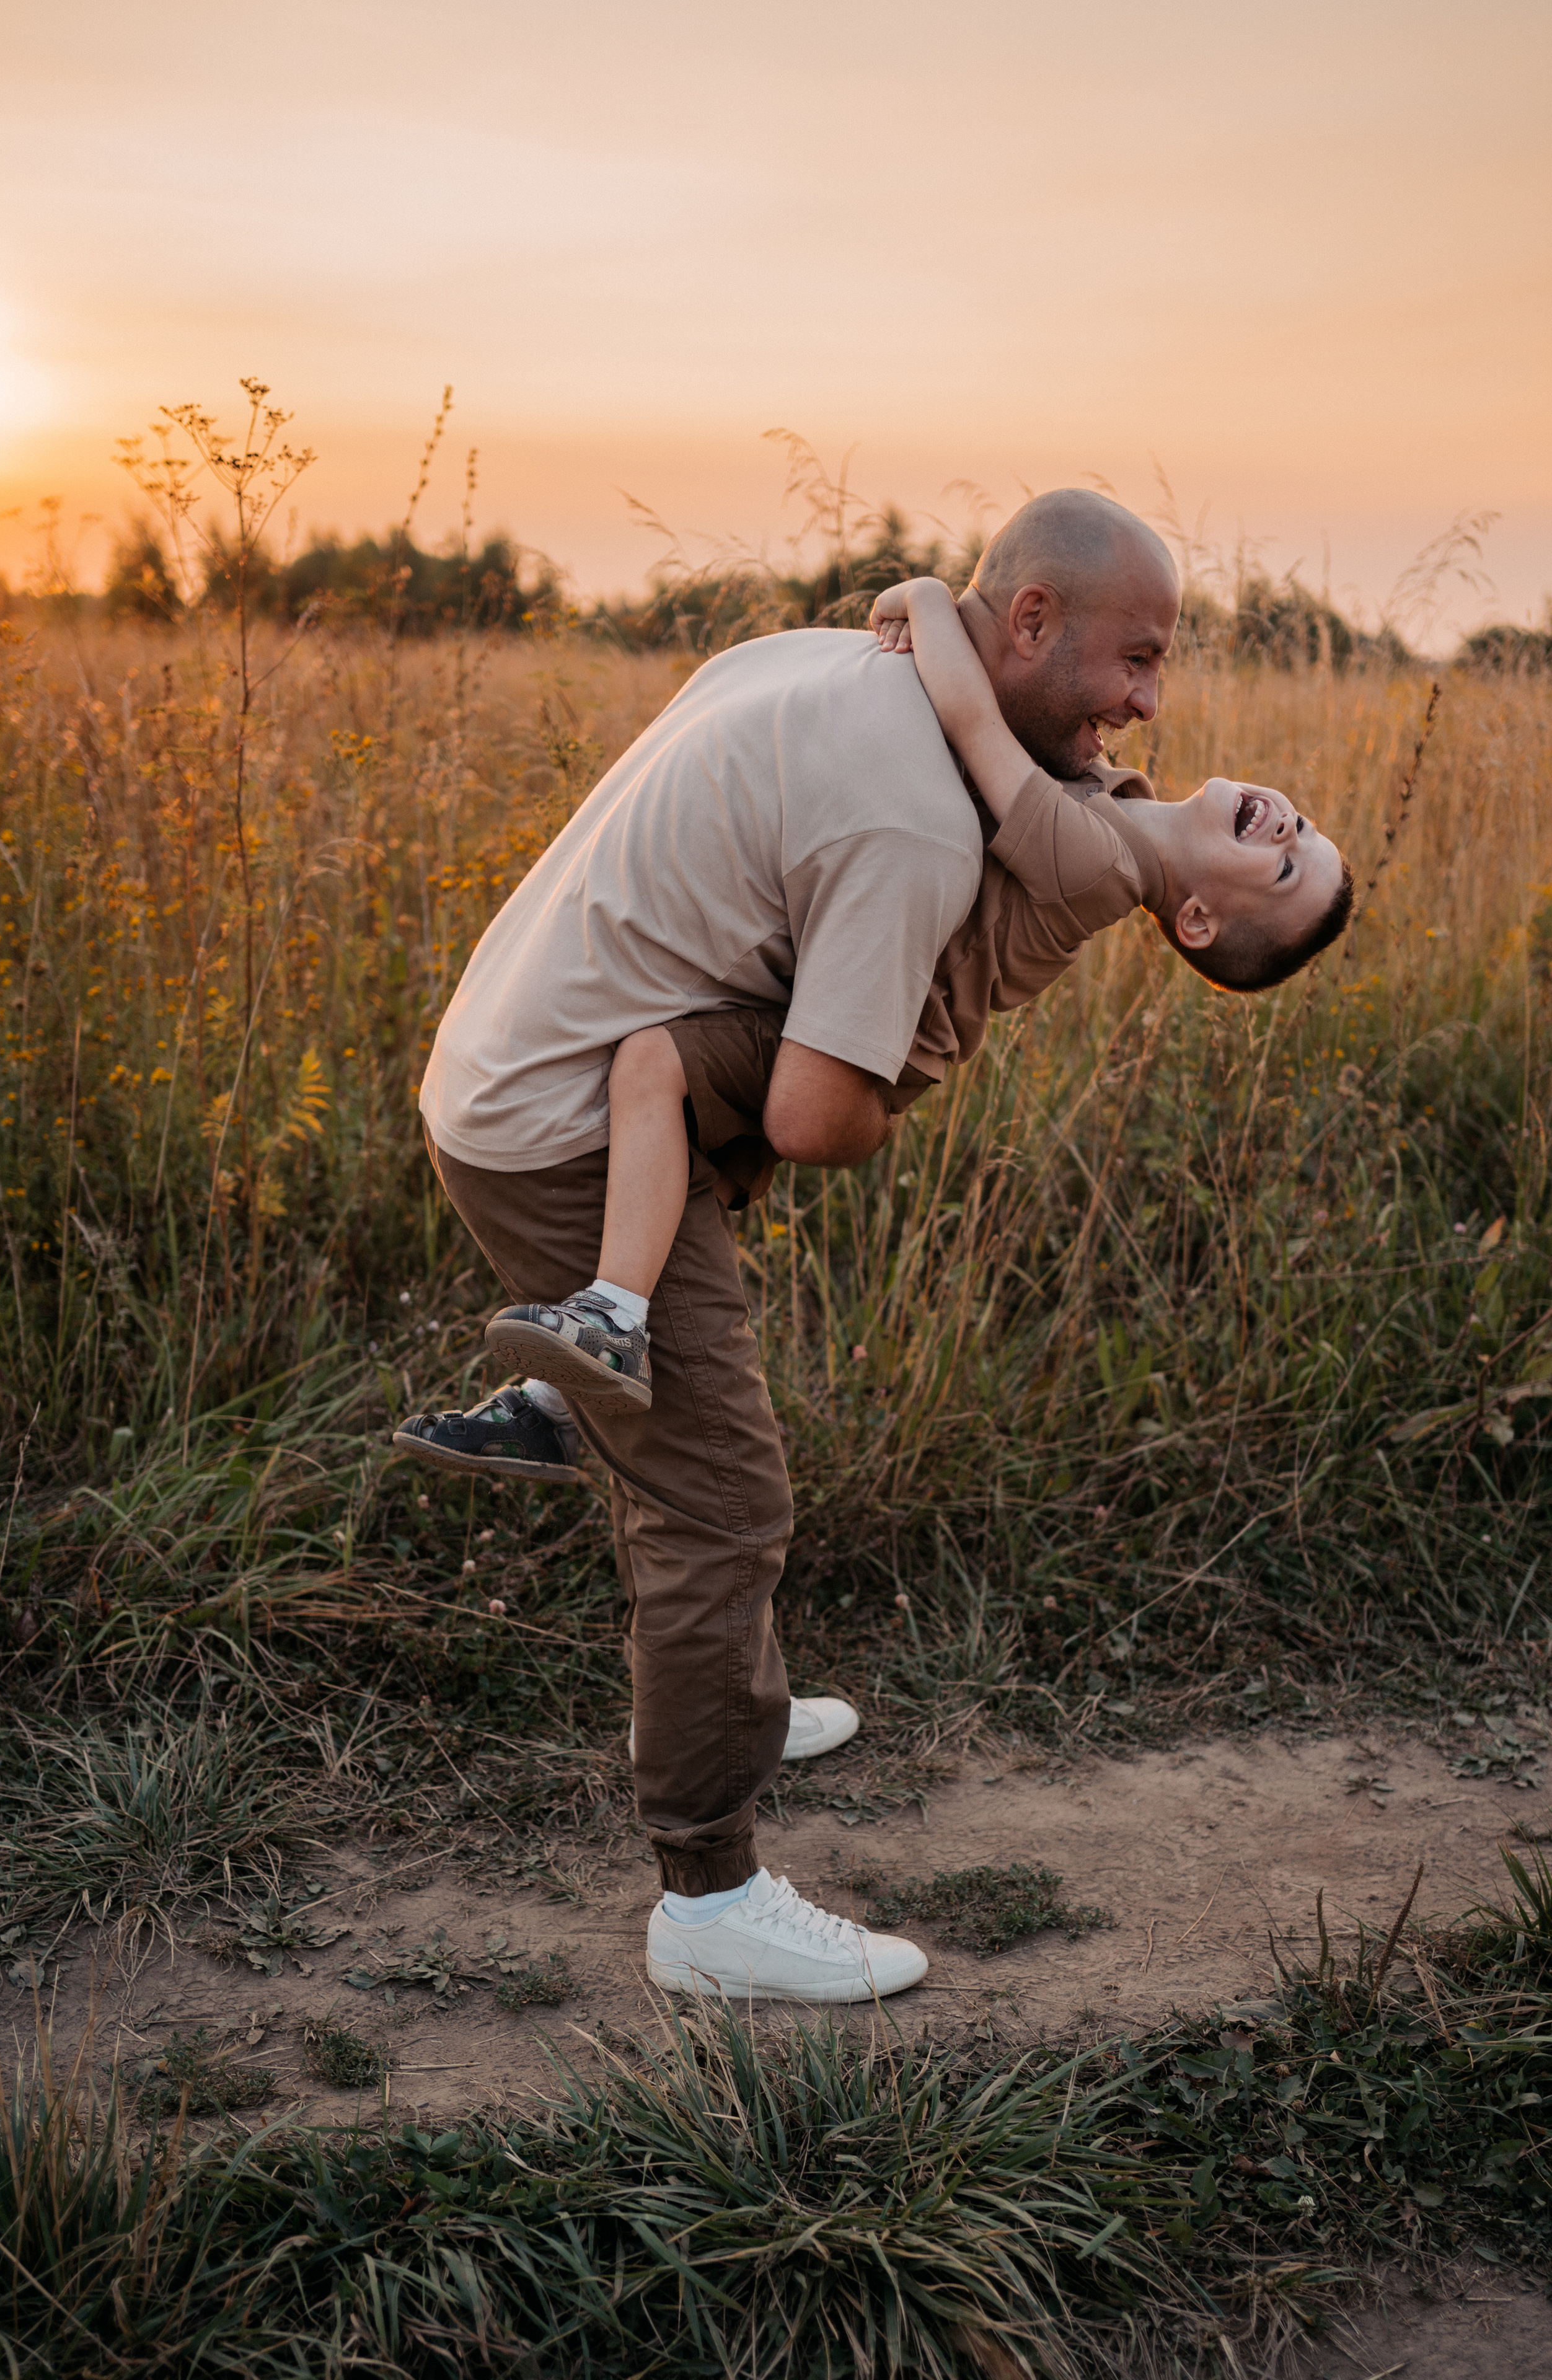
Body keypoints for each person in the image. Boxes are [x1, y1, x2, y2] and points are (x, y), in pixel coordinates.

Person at [401, 490, 1187, 2005]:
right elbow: (818, 1113)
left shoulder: (840, 651)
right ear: (1025, 625)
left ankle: (729, 1703)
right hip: (559, 1125)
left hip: (509, 1064)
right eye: (1134, 658)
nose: (1151, 702)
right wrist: (894, 1085)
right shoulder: (909, 823)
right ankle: (707, 1901)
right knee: (720, 1498)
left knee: (667, 1435)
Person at [452, 575, 1350, 1417]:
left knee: (656, 1066)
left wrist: (928, 596)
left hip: (872, 1053)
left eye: (1283, 869)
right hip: (843, 1008)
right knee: (678, 1125)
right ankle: (559, 1403)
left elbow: (972, 720)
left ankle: (608, 1323)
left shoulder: (1100, 868)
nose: (1286, 828)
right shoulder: (1119, 798)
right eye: (1303, 829)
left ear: (1193, 922)